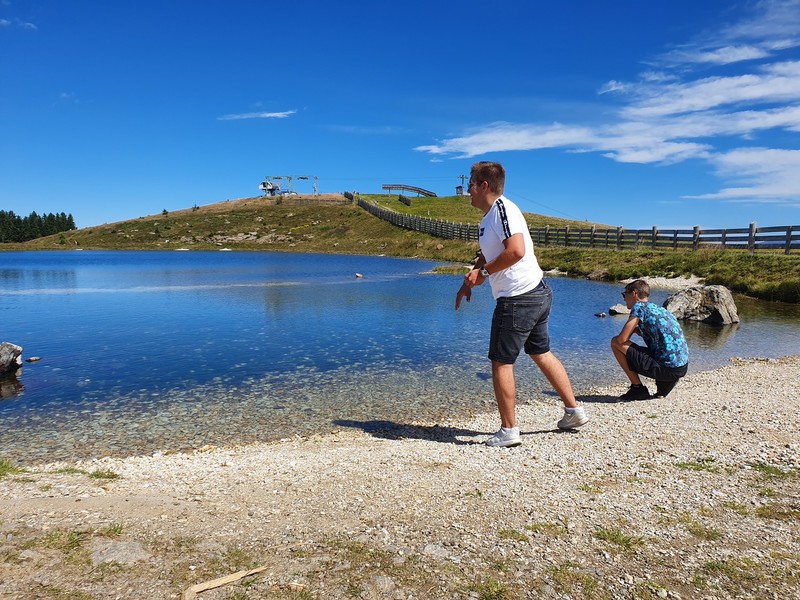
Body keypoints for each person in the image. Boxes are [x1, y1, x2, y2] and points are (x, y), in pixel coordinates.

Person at [455, 161, 588, 447]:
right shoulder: (489, 218)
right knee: (541, 352)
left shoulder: (503, 209)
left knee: (501, 362)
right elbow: (488, 254)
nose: (468, 191)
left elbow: (516, 251)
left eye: (471, 185)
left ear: (484, 186)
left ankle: (509, 430)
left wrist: (484, 273)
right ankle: (574, 411)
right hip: (536, 293)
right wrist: (469, 281)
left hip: (518, 298)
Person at [610, 279, 689, 400]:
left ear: (634, 294)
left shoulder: (638, 307)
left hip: (666, 368)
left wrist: (630, 332)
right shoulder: (657, 309)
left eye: (624, 294)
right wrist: (636, 330)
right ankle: (666, 383)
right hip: (680, 367)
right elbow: (660, 334)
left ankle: (637, 388)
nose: (624, 299)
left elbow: (621, 340)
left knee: (615, 342)